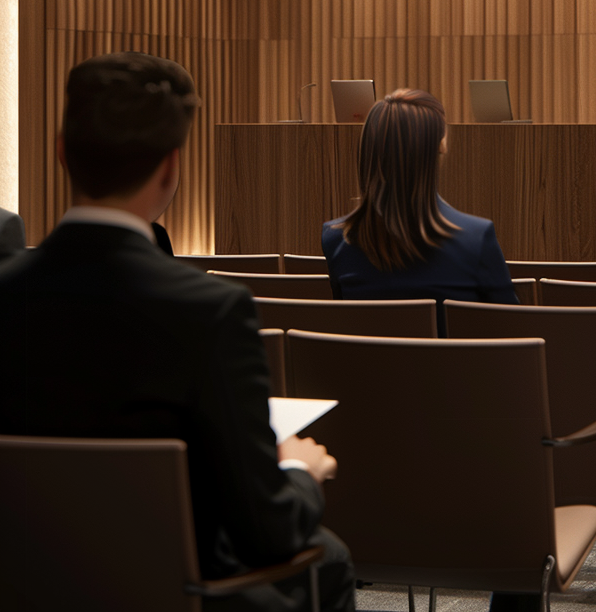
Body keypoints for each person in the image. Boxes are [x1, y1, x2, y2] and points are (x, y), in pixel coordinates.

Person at [0, 51, 354, 612]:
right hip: (178, 592)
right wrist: (298, 471)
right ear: (171, 167)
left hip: (24, 587)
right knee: (329, 558)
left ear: (61, 152)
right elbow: (268, 533)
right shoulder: (211, 312)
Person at [322, 88, 517, 330]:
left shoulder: (336, 240)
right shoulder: (477, 238)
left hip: (371, 368)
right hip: (457, 369)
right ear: (440, 146)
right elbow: (512, 333)